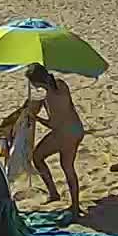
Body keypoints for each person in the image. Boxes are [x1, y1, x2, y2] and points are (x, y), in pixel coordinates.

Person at [25, 64, 85, 212]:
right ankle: (75, 205)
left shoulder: (49, 97)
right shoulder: (61, 84)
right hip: (76, 129)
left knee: (37, 157)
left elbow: (53, 124)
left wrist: (36, 118)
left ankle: (54, 193)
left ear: (37, 82)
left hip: (64, 133)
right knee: (68, 166)